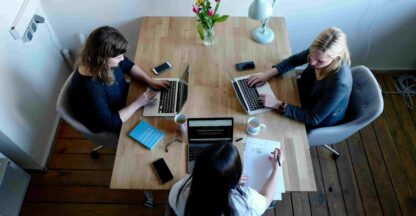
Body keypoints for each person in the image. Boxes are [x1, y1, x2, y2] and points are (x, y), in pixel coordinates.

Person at [68, 26, 170, 133]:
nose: (122, 58)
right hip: (114, 120)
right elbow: (110, 123)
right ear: (101, 58)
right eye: (117, 57)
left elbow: (127, 65)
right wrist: (138, 103)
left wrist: (149, 80)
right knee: (159, 126)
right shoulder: (90, 89)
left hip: (126, 101)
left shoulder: (101, 62)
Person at [248, 27, 352, 128]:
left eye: (320, 61)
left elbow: (313, 118)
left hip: (316, 118)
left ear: (336, 58)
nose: (312, 62)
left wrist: (276, 104)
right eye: (311, 55)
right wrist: (267, 74)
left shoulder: (339, 84)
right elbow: (294, 60)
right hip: (302, 95)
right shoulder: (318, 51)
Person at [168, 142, 283, 216]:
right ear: (235, 178)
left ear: (197, 168)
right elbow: (267, 198)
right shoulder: (247, 204)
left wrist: (223, 179)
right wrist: (276, 168)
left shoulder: (177, 191)